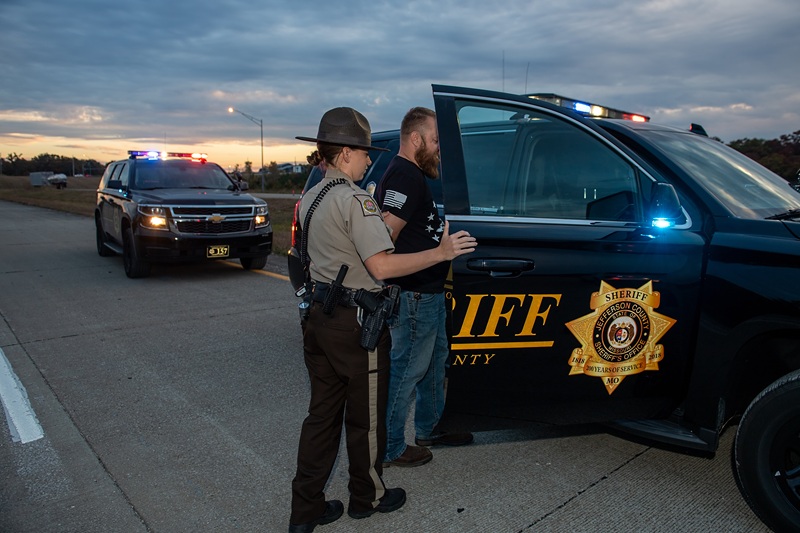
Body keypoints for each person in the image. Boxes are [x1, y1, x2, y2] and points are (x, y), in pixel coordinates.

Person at [289, 107, 476, 533]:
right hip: (355, 324)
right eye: (363, 153)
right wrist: (442, 253)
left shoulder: (313, 198)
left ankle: (306, 509)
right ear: (345, 154)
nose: (369, 161)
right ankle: (367, 496)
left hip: (319, 318)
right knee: (365, 419)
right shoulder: (354, 199)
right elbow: (381, 266)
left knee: (320, 419)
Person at [375, 107, 475, 469]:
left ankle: (430, 427)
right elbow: (385, 234)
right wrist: (439, 253)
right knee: (407, 370)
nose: (438, 150)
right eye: (435, 141)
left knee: (434, 363)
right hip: (413, 293)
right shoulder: (405, 175)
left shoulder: (412, 174)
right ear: (415, 139)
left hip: (427, 292)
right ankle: (390, 447)